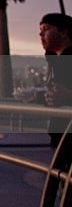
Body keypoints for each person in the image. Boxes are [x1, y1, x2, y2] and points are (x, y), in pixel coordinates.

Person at [40, 13, 72, 147]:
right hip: (60, 137)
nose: (41, 35)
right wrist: (40, 96)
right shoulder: (55, 62)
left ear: (64, 32)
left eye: (46, 29)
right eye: (40, 31)